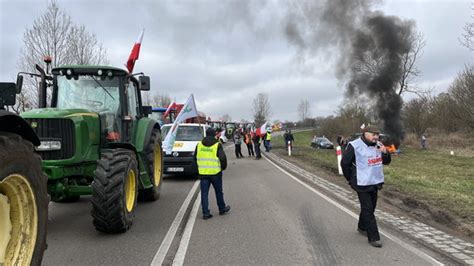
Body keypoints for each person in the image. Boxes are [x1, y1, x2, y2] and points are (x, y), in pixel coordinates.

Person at [341, 125, 391, 248]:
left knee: (371, 207)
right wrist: (351, 179)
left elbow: (387, 161)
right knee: (368, 209)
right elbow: (345, 163)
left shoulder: (379, 145)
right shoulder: (355, 145)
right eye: (373, 134)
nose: (376, 137)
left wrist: (385, 152)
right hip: (361, 183)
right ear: (365, 134)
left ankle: (362, 227)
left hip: (375, 181)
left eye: (377, 134)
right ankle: (374, 237)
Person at [194, 128, 231, 220]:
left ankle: (205, 213)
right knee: (218, 192)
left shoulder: (199, 145)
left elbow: (195, 159)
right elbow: (222, 158)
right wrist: (223, 167)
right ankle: (222, 209)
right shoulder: (217, 144)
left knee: (204, 194)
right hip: (215, 173)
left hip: (203, 174)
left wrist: (197, 170)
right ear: (214, 134)